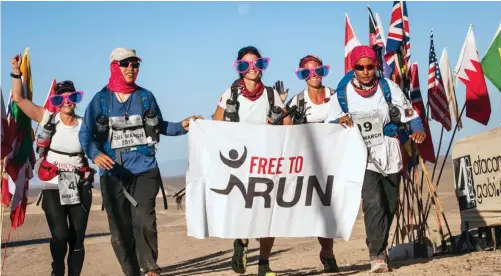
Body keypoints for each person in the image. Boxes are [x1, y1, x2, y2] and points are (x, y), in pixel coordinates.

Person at [79, 47, 202, 276]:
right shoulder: (100, 100)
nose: (131, 69)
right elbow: (85, 134)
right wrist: (95, 155)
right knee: (120, 231)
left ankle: (150, 268)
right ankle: (131, 271)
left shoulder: (145, 96)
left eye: (135, 64)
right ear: (114, 66)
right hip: (112, 172)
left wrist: (183, 126)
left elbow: (160, 125)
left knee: (145, 220)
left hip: (145, 168)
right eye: (125, 64)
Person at [325, 45, 426, 273]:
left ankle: (377, 242)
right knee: (373, 204)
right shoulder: (342, 94)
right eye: (360, 67)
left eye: (370, 66)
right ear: (354, 68)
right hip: (361, 156)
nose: (365, 71)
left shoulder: (387, 88)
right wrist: (340, 122)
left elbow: (409, 114)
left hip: (389, 151)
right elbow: (329, 122)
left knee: (390, 204)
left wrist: (417, 129)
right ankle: (377, 256)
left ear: (376, 66)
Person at [10, 54, 95, 276]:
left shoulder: (85, 125)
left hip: (79, 186)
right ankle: (57, 269)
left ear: (76, 99)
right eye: (61, 99)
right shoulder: (48, 117)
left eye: (71, 97)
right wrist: (17, 72)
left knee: (77, 239)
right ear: (55, 101)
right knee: (60, 234)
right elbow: (19, 99)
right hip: (53, 185)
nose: (66, 102)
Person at [212, 46, 292, 276]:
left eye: (258, 64)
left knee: (269, 213)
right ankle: (242, 241)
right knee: (244, 209)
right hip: (240, 164)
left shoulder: (271, 94)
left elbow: (289, 128)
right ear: (239, 68)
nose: (252, 69)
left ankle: (264, 264)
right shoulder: (230, 93)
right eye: (246, 65)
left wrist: (278, 121)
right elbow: (216, 124)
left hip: (267, 161)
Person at [285, 54, 351, 273]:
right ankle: (328, 253)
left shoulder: (335, 96)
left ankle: (327, 251)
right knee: (322, 208)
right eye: (307, 72)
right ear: (302, 76)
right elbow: (285, 128)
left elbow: (350, 117)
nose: (313, 76)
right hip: (310, 162)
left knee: (333, 206)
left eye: (318, 71)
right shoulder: (297, 101)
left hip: (335, 158)